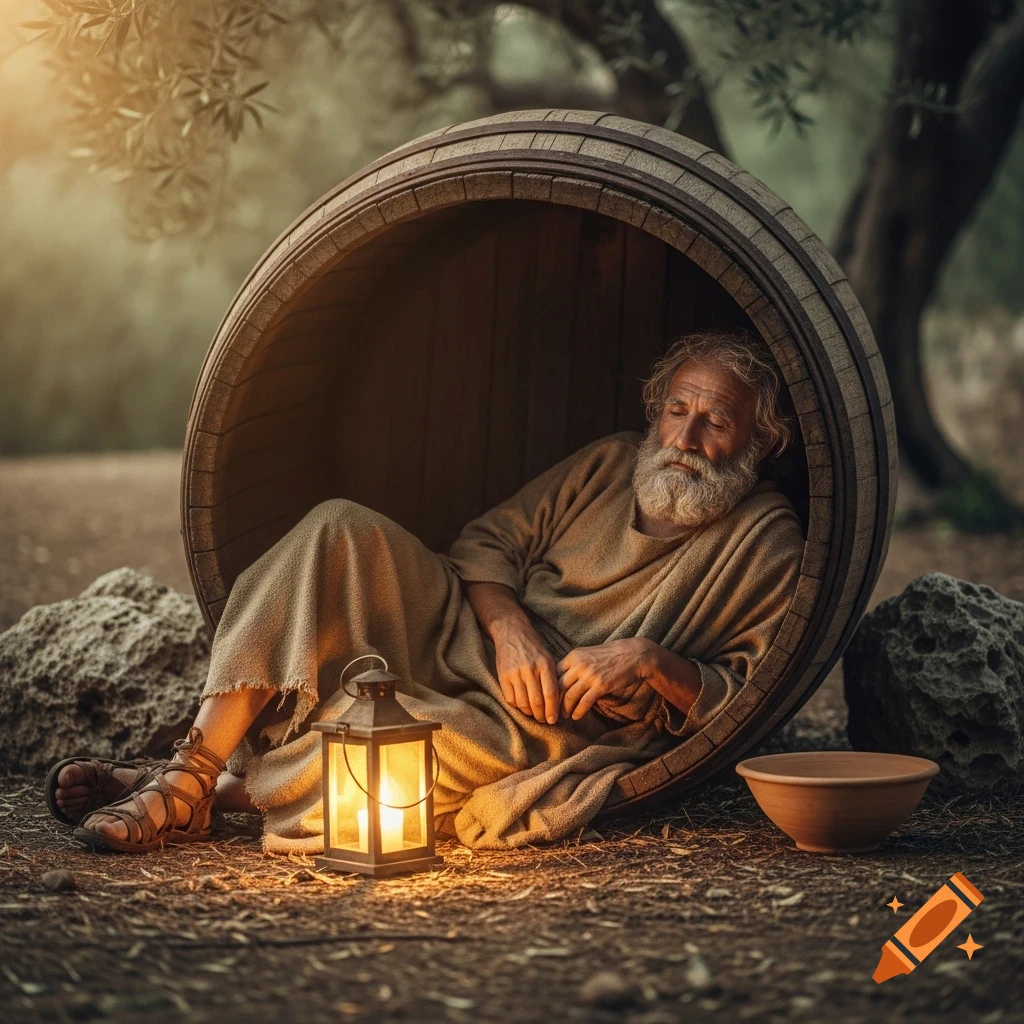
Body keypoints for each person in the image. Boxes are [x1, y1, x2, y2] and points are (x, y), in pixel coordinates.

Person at [48, 328, 805, 853]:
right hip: (470, 627)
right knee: (338, 526)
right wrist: (508, 629)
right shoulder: (610, 464)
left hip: (550, 720)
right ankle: (191, 768)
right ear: (657, 410)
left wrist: (647, 662)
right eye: (677, 409)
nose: (684, 437)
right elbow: (486, 543)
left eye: (716, 421)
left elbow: (748, 698)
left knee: (392, 746)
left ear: (761, 441)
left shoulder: (766, 541)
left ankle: (188, 796)